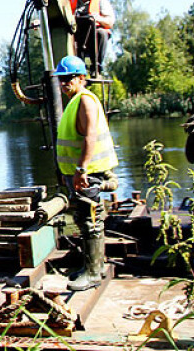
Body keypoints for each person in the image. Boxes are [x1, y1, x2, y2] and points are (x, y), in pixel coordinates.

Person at [53, 55, 118, 291]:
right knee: (84, 219)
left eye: (69, 78)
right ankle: (94, 267)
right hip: (77, 174)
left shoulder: (86, 101)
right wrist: (67, 172)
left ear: (82, 78)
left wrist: (81, 170)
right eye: (62, 79)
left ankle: (92, 273)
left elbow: (89, 137)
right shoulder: (75, 100)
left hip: (87, 174)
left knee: (91, 221)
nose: (64, 83)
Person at [69, 0, 115, 75]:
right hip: (75, 34)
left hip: (92, 36)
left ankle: (96, 67)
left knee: (102, 33)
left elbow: (110, 22)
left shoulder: (101, 1)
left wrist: (97, 18)